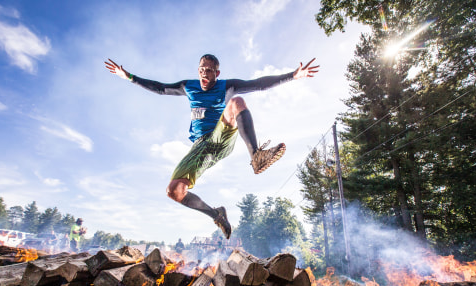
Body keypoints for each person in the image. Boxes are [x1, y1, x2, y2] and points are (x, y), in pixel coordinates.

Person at [105, 55, 319, 239]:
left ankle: (256, 156)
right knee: (174, 190)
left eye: (209, 71)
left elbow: (259, 83)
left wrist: (292, 75)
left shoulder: (226, 85)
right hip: (200, 147)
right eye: (201, 70)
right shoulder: (188, 86)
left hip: (220, 135)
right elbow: (161, 88)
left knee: (236, 102)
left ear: (217, 72)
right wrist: (130, 77)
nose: (204, 75)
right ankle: (216, 214)